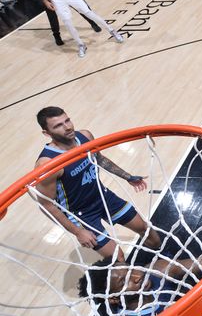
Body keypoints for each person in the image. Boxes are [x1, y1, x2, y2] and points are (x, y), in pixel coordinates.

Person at [34, 106, 161, 261]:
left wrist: (127, 176)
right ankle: (131, 283)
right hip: (80, 214)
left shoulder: (85, 136)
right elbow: (46, 205)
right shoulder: (47, 164)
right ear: (47, 133)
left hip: (102, 197)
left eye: (67, 120)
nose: (67, 127)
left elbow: (99, 158)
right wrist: (78, 232)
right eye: (58, 125)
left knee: (145, 229)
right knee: (118, 258)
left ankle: (162, 258)